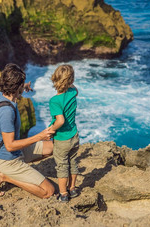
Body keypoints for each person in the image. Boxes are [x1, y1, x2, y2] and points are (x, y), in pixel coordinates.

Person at [0, 63, 55, 198]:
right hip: (8, 160)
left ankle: (20, 172)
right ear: (17, 87)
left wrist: (24, 87)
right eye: (22, 85)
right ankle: (3, 176)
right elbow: (10, 145)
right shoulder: (6, 112)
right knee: (48, 192)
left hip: (16, 153)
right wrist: (40, 136)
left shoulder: (1, 95)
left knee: (52, 147)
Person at [49, 64, 80, 202]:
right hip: (74, 135)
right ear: (71, 80)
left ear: (55, 78)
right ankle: (72, 189)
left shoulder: (54, 101)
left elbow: (60, 121)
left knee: (62, 166)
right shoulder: (73, 92)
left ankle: (63, 194)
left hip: (62, 138)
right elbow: (75, 89)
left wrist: (51, 129)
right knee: (73, 162)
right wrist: (70, 84)